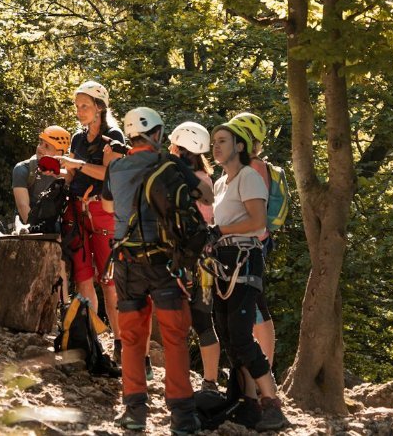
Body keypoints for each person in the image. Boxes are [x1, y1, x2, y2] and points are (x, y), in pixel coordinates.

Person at [103, 107, 200, 433]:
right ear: (158, 134)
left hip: (126, 263)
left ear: (130, 135)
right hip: (163, 264)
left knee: (132, 339)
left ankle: (134, 412)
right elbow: (205, 194)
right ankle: (183, 417)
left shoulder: (115, 167)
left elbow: (106, 205)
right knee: (174, 337)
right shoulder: (170, 165)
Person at [208, 120, 290, 431]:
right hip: (225, 260)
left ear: (240, 146)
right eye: (214, 141)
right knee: (229, 335)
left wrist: (219, 231)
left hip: (245, 258)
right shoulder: (221, 184)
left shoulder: (249, 178)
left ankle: (271, 404)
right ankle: (248, 402)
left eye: (223, 141)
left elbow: (257, 224)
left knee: (242, 335)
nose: (216, 146)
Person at [58, 81, 123, 354]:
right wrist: (58, 170)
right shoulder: (77, 138)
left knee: (109, 281)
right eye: (77, 106)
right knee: (84, 277)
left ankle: (121, 342)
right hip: (77, 211)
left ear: (100, 107)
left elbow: (113, 174)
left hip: (103, 212)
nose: (79, 111)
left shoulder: (115, 137)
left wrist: (78, 165)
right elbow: (72, 174)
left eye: (84, 106)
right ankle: (90, 340)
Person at [168, 121, 219, 392]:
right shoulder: (206, 179)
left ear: (177, 146)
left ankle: (177, 379)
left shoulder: (175, 179)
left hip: (181, 260)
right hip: (206, 261)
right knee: (203, 321)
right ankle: (210, 381)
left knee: (176, 320)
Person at [229, 112, 278, 369]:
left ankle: (265, 371)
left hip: (252, 244)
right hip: (246, 243)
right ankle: (258, 368)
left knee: (256, 305)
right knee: (251, 305)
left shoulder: (255, 167)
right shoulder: (249, 166)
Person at [12, 125, 72, 232]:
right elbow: (22, 206)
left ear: (60, 153)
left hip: (56, 226)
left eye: (47, 146)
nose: (40, 148)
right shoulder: (23, 169)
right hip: (27, 227)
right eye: (40, 143)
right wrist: (36, 231)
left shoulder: (67, 173)